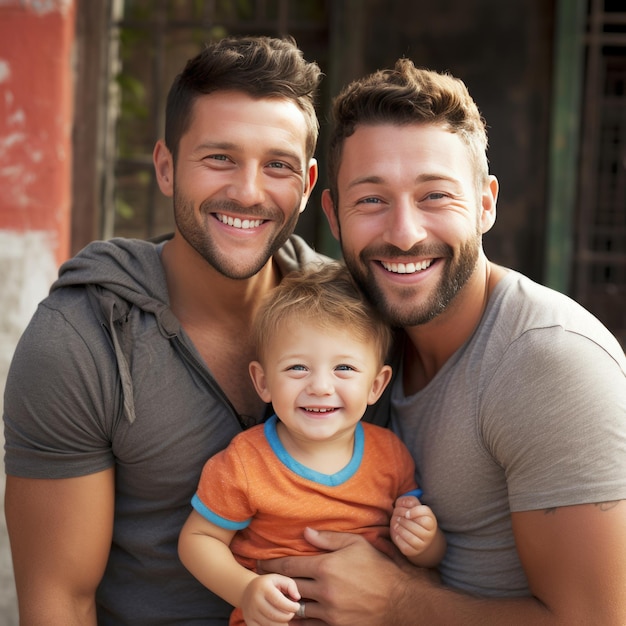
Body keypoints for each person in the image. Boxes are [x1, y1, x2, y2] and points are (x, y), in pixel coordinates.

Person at [261, 59, 626, 624]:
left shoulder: (550, 362)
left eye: (435, 196)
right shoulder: (360, 335)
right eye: (371, 200)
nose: (405, 233)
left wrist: (397, 600)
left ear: (486, 203)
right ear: (332, 214)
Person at [2, 35, 333, 625]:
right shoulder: (81, 339)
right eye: (219, 158)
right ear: (165, 167)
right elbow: (60, 600)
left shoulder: (351, 317)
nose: (248, 192)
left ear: (306, 185)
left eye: (277, 165)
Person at [178, 263, 446, 626]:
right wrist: (245, 590)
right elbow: (198, 539)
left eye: (345, 369)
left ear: (376, 386)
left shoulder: (390, 455)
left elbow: (425, 557)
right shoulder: (246, 461)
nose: (320, 386)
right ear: (263, 382)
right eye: (297, 368)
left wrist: (425, 542)